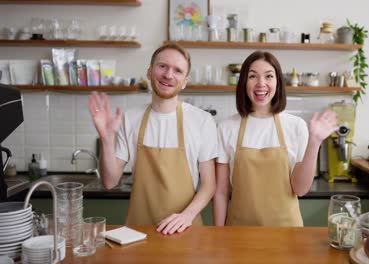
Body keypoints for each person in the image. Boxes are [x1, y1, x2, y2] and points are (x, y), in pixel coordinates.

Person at [88, 43, 217, 235]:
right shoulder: (130, 119)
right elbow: (109, 181)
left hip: (186, 230)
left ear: (184, 82)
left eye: (178, 70)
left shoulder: (202, 121)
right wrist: (107, 139)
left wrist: (186, 216)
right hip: (138, 231)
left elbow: (209, 184)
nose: (168, 75)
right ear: (149, 72)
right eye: (162, 66)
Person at [213, 51, 338, 226]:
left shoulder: (296, 126)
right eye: (253, 76)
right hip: (238, 232)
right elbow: (221, 192)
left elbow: (300, 189)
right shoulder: (226, 127)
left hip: (287, 232)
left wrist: (315, 142)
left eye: (269, 76)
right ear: (243, 83)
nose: (261, 84)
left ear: (278, 82)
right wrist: (219, 235)